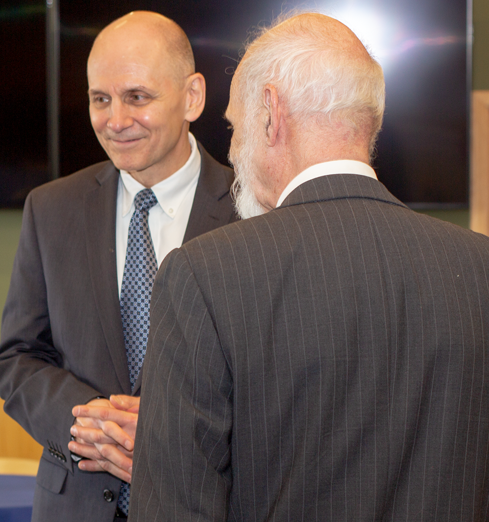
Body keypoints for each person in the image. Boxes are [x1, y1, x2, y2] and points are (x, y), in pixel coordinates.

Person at [130, 12, 489, 520]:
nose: (232, 151)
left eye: (234, 125)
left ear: (271, 113)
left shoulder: (204, 275)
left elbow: (173, 508)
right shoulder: (480, 269)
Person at [0, 11, 237, 521]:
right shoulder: (51, 209)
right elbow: (15, 358)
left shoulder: (252, 210)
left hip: (205, 504)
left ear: (193, 97)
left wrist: (172, 430)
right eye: (100, 99)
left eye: (137, 97)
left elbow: (279, 380)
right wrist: (89, 420)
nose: (115, 120)